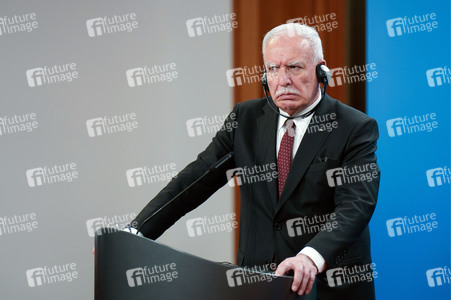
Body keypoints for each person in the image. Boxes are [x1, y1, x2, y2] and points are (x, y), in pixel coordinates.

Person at [130, 23, 380, 299]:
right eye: (273, 69)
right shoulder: (245, 120)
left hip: (327, 287)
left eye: (294, 67)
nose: (283, 80)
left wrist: (309, 258)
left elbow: (356, 204)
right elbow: (195, 180)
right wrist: (136, 232)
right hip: (258, 284)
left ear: (321, 70)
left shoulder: (354, 127)